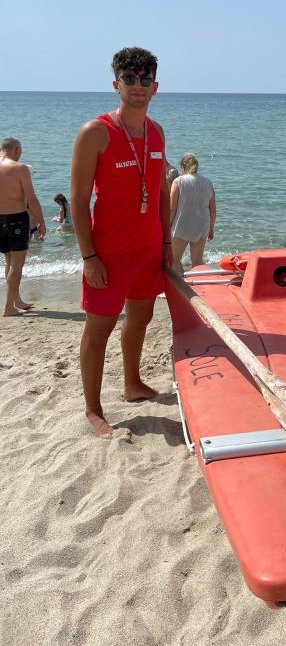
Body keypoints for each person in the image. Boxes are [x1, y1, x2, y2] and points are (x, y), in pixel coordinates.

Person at [70, 47, 173, 438]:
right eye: (129, 79)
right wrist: (88, 255)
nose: (137, 87)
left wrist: (166, 246)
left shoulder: (157, 132)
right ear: (116, 84)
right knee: (99, 331)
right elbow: (78, 200)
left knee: (141, 320)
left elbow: (162, 192)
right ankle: (93, 410)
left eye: (145, 80)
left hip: (148, 252)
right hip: (108, 255)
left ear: (155, 87)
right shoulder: (95, 133)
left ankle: (132, 385)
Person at [0, 137, 46, 315]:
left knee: (9, 261)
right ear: (16, 149)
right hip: (16, 219)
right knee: (17, 264)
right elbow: (32, 199)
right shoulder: (19, 169)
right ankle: (9, 307)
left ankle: (16, 299)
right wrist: (41, 221)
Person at [170, 153, 216, 273]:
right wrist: (211, 229)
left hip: (181, 227)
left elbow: (172, 209)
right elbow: (213, 210)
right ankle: (200, 287)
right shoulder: (208, 182)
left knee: (174, 260)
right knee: (197, 261)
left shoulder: (178, 181)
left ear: (183, 167)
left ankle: (178, 288)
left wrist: (167, 227)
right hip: (201, 227)